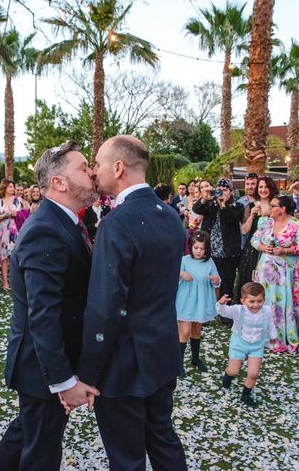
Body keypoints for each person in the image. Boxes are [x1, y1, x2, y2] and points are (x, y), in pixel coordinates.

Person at [69, 136, 188, 471]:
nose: (94, 171)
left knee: (126, 457)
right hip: (162, 352)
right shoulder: (170, 216)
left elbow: (105, 305)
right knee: (163, 439)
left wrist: (88, 373)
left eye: (98, 164)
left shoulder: (116, 223)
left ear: (118, 167)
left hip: (124, 365)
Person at [0, 141, 98, 471]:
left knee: (27, 434)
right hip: (41, 366)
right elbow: (43, 313)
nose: (91, 172)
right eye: (83, 167)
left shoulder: (67, 222)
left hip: (50, 361)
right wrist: (64, 382)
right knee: (41, 453)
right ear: (58, 182)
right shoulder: (46, 230)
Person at [251, 195, 299, 354]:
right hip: (266, 270)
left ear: (282, 209)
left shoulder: (297, 225)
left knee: (284, 303)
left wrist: (285, 250)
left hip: (287, 272)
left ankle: (283, 338)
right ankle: (264, 336)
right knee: (265, 301)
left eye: (273, 206)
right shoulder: (265, 222)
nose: (269, 209)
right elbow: (254, 240)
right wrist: (263, 248)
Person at [216, 283, 277, 407]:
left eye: (259, 301)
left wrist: (273, 337)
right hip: (239, 343)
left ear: (264, 300)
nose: (256, 305)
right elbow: (224, 312)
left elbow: (270, 324)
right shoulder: (238, 310)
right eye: (252, 301)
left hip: (257, 346)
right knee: (234, 371)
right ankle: (228, 374)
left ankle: (246, 395)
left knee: (253, 373)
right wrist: (221, 304)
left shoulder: (266, 311)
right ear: (243, 301)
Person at [193, 178, 244, 309]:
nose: (222, 193)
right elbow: (197, 209)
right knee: (206, 280)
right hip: (209, 250)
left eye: (225, 190)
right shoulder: (210, 204)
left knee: (227, 282)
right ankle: (206, 308)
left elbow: (231, 218)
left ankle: (225, 311)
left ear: (231, 192)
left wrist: (223, 205)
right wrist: (204, 198)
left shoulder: (237, 206)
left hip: (228, 252)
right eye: (219, 190)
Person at [175, 230, 220, 377]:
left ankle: (195, 359)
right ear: (191, 247)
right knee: (185, 332)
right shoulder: (184, 260)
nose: (199, 251)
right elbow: (173, 275)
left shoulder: (209, 262)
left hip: (201, 302)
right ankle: (178, 363)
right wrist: (182, 274)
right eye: (196, 248)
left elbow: (217, 280)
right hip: (186, 300)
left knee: (196, 331)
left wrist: (215, 280)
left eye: (202, 249)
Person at [234, 176, 278, 302]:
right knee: (250, 278)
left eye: (266, 187)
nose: (263, 190)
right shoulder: (251, 206)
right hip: (252, 248)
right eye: (260, 187)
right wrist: (252, 216)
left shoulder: (276, 205)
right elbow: (244, 230)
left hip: (270, 247)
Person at [0, 179, 22, 291]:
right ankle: (5, 281)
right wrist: (5, 214)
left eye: (13, 187)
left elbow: (21, 214)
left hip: (15, 231)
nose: (13, 189)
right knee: (4, 256)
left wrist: (14, 214)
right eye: (10, 186)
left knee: (15, 256)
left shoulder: (17, 200)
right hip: (3, 232)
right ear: (5, 187)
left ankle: (16, 281)